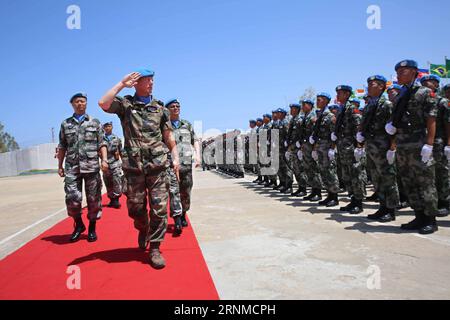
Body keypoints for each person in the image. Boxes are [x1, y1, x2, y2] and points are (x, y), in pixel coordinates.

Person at [98, 69, 180, 269]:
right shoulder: (126, 105)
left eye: (152, 80)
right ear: (136, 83)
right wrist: (120, 84)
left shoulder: (161, 109)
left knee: (160, 208)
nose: (151, 83)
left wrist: (175, 157)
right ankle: (142, 228)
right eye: (146, 80)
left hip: (158, 165)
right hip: (133, 167)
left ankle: (155, 248)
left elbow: (168, 136)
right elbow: (103, 103)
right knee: (135, 208)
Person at [385, 59, 439, 234]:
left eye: (403, 71)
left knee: (425, 182)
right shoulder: (401, 94)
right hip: (403, 144)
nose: (399, 74)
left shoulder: (425, 92)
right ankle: (418, 216)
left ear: (414, 72)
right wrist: (393, 145)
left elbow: (431, 119)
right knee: (409, 182)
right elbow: (397, 120)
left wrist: (429, 145)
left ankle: (430, 219)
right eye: (398, 72)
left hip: (419, 143)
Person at [57, 93, 108, 243]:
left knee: (94, 199)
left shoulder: (95, 122)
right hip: (72, 167)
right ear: (72, 104)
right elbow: (62, 146)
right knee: (73, 199)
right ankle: (79, 225)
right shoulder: (65, 124)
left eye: (83, 101)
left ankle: (92, 228)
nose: (80, 104)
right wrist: (59, 166)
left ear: (86, 104)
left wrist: (104, 160)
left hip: (91, 167)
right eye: (77, 101)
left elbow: (102, 143)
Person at [356, 75, 399, 222]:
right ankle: (382, 207)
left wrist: (392, 148)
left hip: (384, 147)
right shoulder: (369, 105)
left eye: (372, 84)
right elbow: (364, 123)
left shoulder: (386, 104)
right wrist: (361, 140)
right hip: (372, 146)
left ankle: (391, 210)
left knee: (388, 179)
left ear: (381, 86)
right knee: (376, 178)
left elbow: (395, 127)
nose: (368, 86)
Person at [166, 99, 201, 228]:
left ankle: (183, 213)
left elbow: (195, 140)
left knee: (186, 191)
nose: (176, 108)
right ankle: (177, 218)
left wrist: (198, 155)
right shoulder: (164, 125)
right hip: (171, 164)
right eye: (173, 106)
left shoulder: (186, 124)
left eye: (178, 106)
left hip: (186, 164)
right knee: (173, 190)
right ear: (167, 109)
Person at [332, 85, 366, 214]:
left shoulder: (352, 109)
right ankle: (353, 200)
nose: (338, 95)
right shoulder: (342, 109)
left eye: (340, 93)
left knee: (356, 175)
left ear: (347, 94)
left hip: (351, 147)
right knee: (347, 176)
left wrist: (359, 146)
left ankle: (359, 202)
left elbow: (358, 127)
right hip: (343, 148)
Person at [420, 75, 450, 217]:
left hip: (439, 141)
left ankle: (445, 202)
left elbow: (448, 124)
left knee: (441, 173)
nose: (425, 85)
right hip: (425, 142)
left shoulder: (443, 101)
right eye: (423, 83)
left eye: (429, 83)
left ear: (436, 85)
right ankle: (434, 201)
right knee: (429, 174)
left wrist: (448, 144)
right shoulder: (421, 101)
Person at [310, 93, 340, 207]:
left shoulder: (330, 116)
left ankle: (334, 197)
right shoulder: (321, 115)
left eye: (319, 100)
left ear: (326, 101)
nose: (317, 102)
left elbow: (334, 134)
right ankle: (329, 195)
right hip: (320, 147)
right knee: (324, 172)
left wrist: (332, 149)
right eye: (317, 100)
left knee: (330, 172)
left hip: (327, 147)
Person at [299, 100, 323, 201]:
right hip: (305, 146)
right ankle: (313, 191)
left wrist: (314, 149)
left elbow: (316, 133)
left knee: (314, 170)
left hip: (311, 147)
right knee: (308, 170)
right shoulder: (305, 117)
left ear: (310, 106)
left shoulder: (313, 117)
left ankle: (318, 192)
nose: (302, 107)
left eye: (304, 105)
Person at [286, 103, 308, 197]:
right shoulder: (292, 120)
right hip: (293, 147)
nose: (291, 110)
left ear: (297, 110)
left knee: (300, 169)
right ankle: (300, 187)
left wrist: (300, 145)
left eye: (293, 109)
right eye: (290, 109)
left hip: (298, 147)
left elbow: (302, 133)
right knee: (296, 168)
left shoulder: (300, 119)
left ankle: (303, 188)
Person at [101, 122, 123, 209]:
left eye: (109, 126)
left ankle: (117, 198)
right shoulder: (101, 139)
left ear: (112, 127)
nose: (107, 128)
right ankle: (111, 199)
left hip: (115, 163)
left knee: (116, 180)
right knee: (108, 182)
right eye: (105, 126)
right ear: (103, 128)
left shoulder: (116, 139)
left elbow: (121, 150)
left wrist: (124, 162)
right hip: (106, 164)